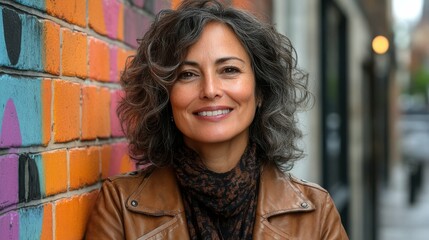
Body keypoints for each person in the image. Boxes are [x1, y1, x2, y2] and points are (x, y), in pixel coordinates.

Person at [85, 0, 349, 239]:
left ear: (260, 91)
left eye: (229, 70)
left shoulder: (316, 212)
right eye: (187, 74)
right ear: (164, 95)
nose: (210, 90)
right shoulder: (120, 206)